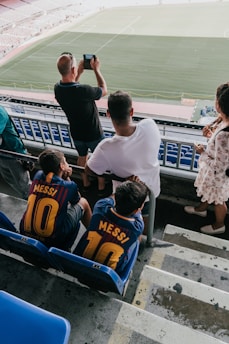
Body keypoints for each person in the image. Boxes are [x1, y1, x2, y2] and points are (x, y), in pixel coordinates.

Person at [85, 90, 161, 232]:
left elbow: (89, 170)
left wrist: (92, 156)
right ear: (131, 111)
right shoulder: (150, 125)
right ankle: (144, 238)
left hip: (125, 197)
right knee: (143, 224)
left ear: (108, 113)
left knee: (126, 224)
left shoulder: (106, 147)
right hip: (151, 190)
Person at [54, 52, 108, 196]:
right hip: (93, 133)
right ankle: (101, 186)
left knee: (82, 158)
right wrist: (96, 69)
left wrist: (77, 73)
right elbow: (103, 89)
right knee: (99, 158)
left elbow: (72, 86)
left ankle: (85, 183)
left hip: (76, 133)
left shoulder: (57, 89)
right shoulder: (83, 90)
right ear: (73, 70)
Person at [20, 149, 92, 251]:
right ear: (62, 166)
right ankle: (93, 233)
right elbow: (76, 200)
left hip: (25, 233)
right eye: (65, 161)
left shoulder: (37, 176)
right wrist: (67, 178)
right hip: (54, 240)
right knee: (83, 202)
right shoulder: (69, 186)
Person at [74, 180, 149, 274]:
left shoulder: (100, 206)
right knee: (137, 241)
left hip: (78, 265)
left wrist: (124, 190)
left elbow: (111, 198)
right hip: (109, 277)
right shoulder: (137, 227)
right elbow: (137, 214)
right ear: (137, 209)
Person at [184, 82, 229, 235]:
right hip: (215, 176)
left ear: (220, 105)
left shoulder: (225, 134)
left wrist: (201, 151)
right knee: (209, 192)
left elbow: (219, 165)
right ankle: (201, 209)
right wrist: (211, 137)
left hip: (218, 176)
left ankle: (219, 225)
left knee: (218, 200)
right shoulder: (224, 122)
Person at [0, 105, 31, 199]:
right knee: (10, 180)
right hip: (3, 155)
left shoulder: (0, 112)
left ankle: (32, 203)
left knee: (24, 184)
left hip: (14, 154)